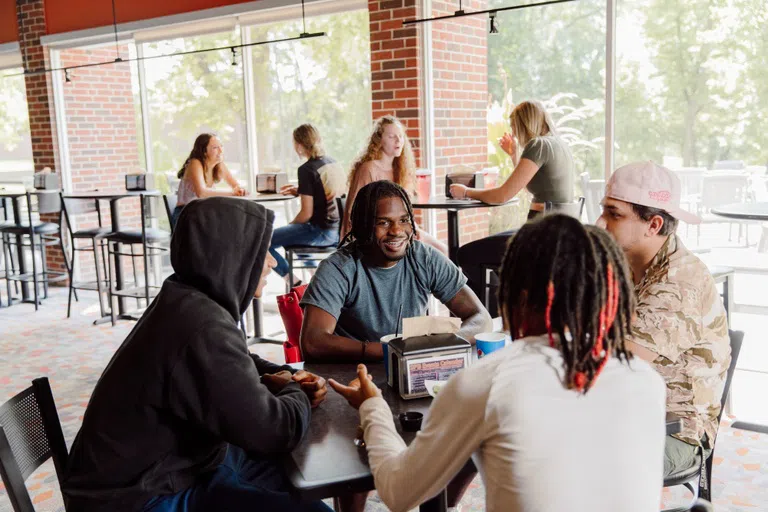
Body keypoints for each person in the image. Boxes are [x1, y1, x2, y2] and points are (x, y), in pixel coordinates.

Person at [329, 215, 667, 512]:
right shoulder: (647, 381)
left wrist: (373, 408)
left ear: (517, 295)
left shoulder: (487, 383)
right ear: (609, 294)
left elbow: (399, 493)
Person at [62, 197, 331, 512]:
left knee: (293, 482)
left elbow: (237, 362)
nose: (271, 262)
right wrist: (293, 388)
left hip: (161, 472)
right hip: (140, 498)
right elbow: (276, 431)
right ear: (231, 255)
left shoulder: (186, 300)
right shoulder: (201, 326)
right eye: (262, 252)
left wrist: (289, 375)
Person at [597, 161, 730, 478]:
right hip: (630, 405)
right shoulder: (628, 261)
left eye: (614, 215)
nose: (600, 223)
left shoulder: (677, 284)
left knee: (573, 457)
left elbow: (612, 363)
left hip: (676, 432)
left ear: (653, 225)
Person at [300, 180, 492, 362]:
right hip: (355, 373)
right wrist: (387, 349)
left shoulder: (424, 258)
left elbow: (481, 319)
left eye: (404, 220)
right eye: (383, 222)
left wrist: (440, 344)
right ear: (362, 227)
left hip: (411, 368)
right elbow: (313, 342)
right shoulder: (339, 268)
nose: (397, 231)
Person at [451, 100, 575, 314]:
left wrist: (465, 192)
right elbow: (530, 185)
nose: (516, 135)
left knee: (466, 255)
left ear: (524, 124)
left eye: (516, 128)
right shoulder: (558, 144)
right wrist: (513, 155)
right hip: (559, 233)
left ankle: (484, 319)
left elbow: (501, 195)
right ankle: (509, 303)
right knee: (497, 258)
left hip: (540, 236)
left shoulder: (538, 145)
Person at [342, 115, 448, 256]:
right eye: (392, 136)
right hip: (379, 236)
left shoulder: (400, 170)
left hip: (403, 232)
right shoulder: (369, 169)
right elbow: (353, 212)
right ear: (379, 140)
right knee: (433, 257)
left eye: (401, 136)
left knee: (446, 252)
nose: (398, 140)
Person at [269, 124, 347, 285]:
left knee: (262, 241)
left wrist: (290, 227)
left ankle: (295, 283)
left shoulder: (306, 169)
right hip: (337, 232)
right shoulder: (332, 163)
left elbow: (305, 214)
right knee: (295, 235)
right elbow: (327, 193)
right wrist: (300, 190)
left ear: (298, 145)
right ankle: (315, 278)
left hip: (320, 232)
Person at [172, 133, 247, 226]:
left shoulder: (219, 165)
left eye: (221, 146)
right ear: (204, 151)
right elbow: (202, 193)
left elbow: (235, 185)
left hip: (203, 213)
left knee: (238, 222)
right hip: (185, 215)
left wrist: (240, 190)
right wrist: (232, 193)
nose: (220, 151)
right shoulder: (195, 163)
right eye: (215, 147)